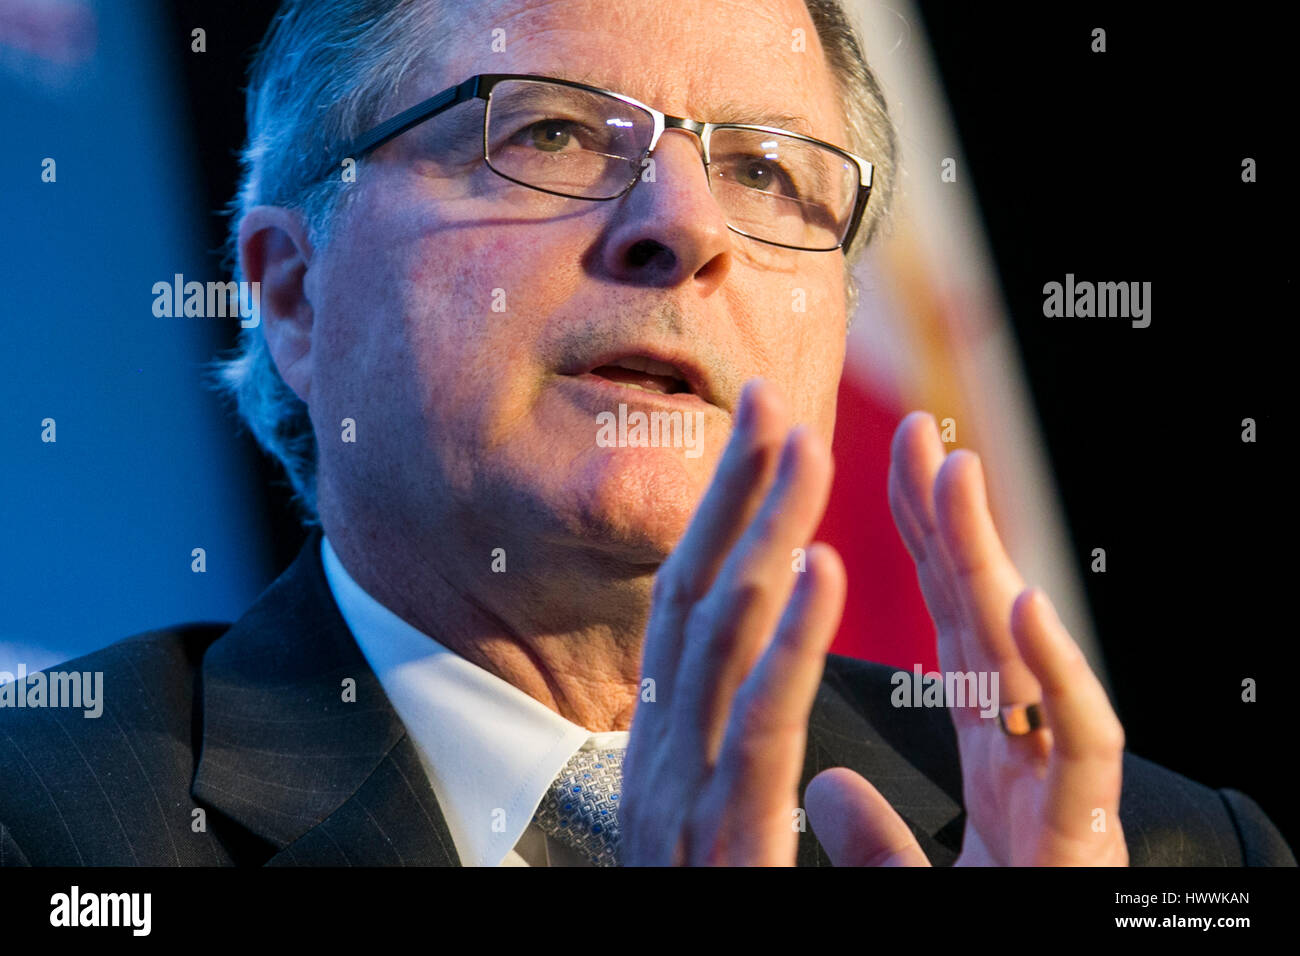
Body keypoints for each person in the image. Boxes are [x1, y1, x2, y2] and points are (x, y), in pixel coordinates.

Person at [0, 0, 1291, 867]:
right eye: (550, 131)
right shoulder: (52, 824)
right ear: (293, 292)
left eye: (768, 170)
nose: (687, 226)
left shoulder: (1168, 849)